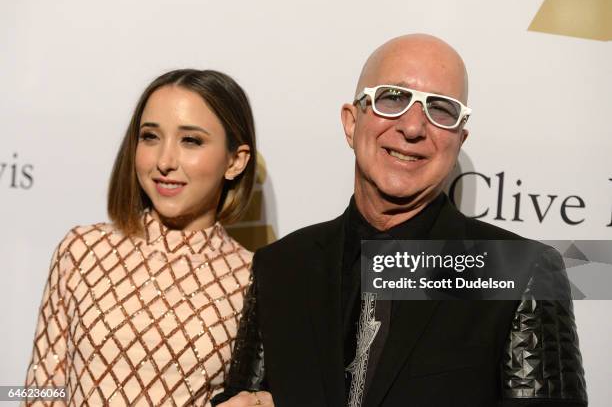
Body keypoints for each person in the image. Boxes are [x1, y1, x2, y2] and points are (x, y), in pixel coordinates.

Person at [211, 35, 588, 407]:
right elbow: (246, 398)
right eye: (392, 98)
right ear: (351, 122)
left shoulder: (520, 271)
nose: (412, 127)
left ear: (459, 139)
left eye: (441, 109)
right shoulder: (281, 265)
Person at [24, 69, 262, 406]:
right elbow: (41, 390)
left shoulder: (254, 279)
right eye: (150, 137)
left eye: (190, 140)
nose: (164, 161)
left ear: (235, 161)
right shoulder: (82, 250)